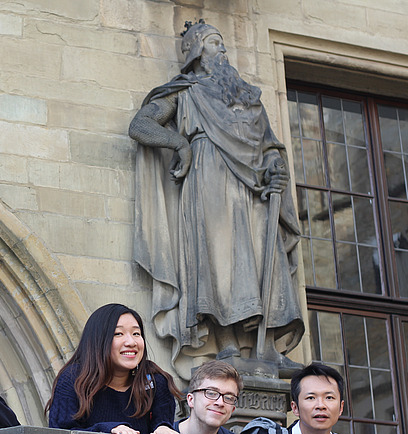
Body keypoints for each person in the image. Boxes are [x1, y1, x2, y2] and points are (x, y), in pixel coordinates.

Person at [128, 21, 303, 372]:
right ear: (196, 53)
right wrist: (178, 142)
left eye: (222, 43)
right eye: (213, 43)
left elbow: (269, 145)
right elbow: (140, 126)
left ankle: (266, 348)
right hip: (210, 183)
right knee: (218, 260)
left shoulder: (249, 99)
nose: (221, 49)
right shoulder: (185, 92)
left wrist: (273, 165)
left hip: (253, 187)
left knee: (259, 259)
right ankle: (226, 347)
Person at [47, 303, 185, 434]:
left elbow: (160, 423)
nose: (131, 342)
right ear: (98, 340)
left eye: (136, 334)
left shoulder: (155, 381)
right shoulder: (73, 379)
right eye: (118, 334)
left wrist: (163, 429)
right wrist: (107, 429)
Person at [173, 360, 247, 434]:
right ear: (191, 400)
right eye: (211, 393)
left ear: (233, 409)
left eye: (229, 397)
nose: (220, 403)